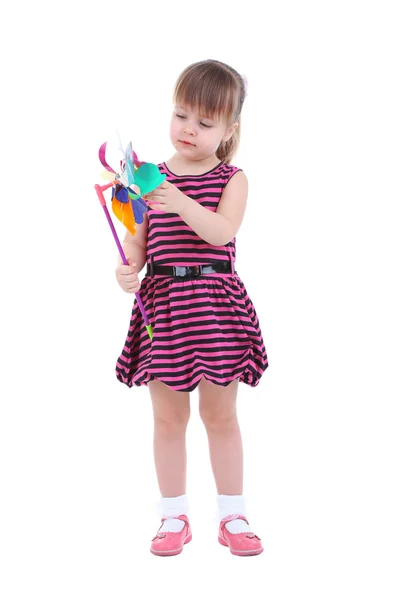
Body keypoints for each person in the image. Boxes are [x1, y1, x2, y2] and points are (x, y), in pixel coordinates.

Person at [114, 59, 269, 556]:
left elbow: (222, 232)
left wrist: (178, 200)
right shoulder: (146, 177)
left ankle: (234, 515)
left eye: (204, 123)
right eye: (182, 115)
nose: (189, 130)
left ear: (229, 130)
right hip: (165, 311)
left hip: (215, 308)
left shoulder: (233, 179)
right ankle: (172, 515)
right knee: (168, 418)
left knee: (220, 416)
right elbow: (138, 242)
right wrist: (127, 266)